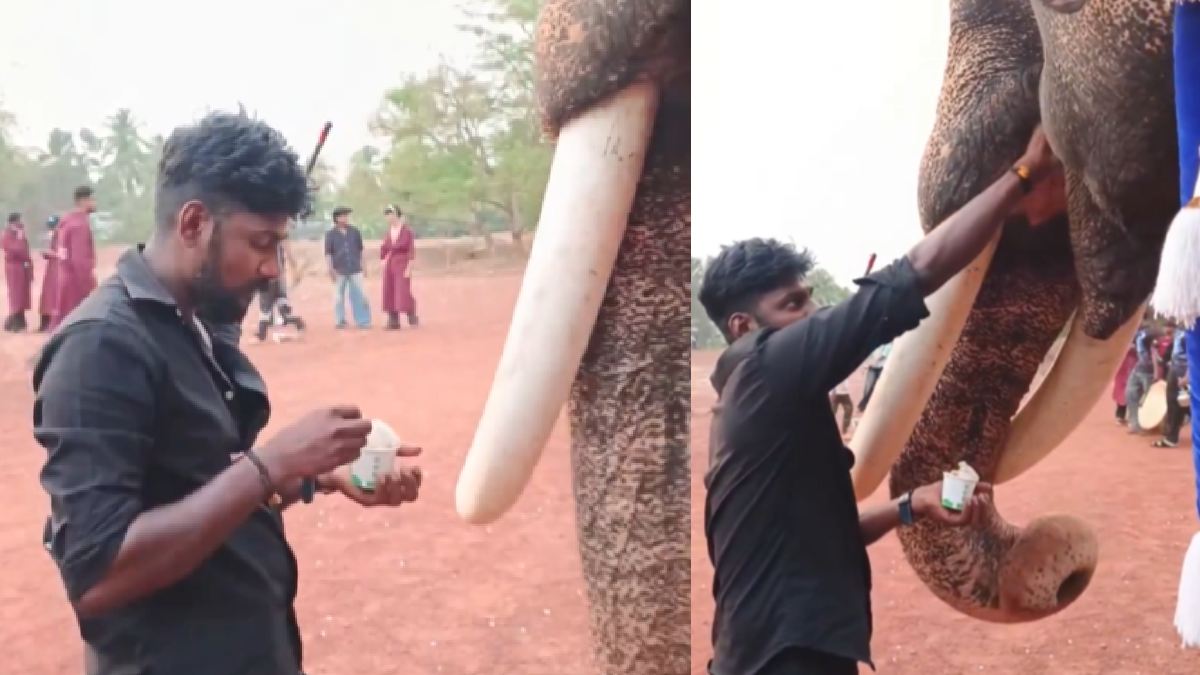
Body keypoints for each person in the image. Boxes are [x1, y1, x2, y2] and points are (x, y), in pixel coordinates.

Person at [33, 111, 424, 675]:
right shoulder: (101, 346)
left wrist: (313, 476)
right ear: (194, 223)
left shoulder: (193, 323)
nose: (271, 269)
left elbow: (198, 484)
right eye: (261, 243)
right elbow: (98, 573)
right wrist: (272, 463)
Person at [698, 126, 1061, 675]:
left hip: (784, 653)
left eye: (810, 298)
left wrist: (912, 505)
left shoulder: (761, 405)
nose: (814, 314)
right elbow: (911, 277)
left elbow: (828, 538)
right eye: (793, 304)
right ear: (743, 327)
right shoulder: (762, 370)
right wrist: (1024, 174)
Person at [50, 185, 98, 330]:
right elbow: (80, 261)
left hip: (65, 280)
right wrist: (90, 286)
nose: (95, 203)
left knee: (62, 325)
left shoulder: (67, 222)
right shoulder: (79, 225)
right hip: (76, 285)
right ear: (84, 201)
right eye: (92, 199)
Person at [253, 234, 307, 342]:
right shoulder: (275, 234)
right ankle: (299, 323)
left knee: (266, 306)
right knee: (281, 303)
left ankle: (261, 334)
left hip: (270, 275)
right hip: (277, 275)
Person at [324, 206, 370, 329]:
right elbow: (328, 253)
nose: (345, 218)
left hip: (355, 268)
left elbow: (361, 250)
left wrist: (364, 266)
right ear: (337, 218)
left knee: (360, 295)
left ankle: (363, 321)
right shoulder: (330, 234)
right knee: (338, 297)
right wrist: (330, 269)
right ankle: (340, 321)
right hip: (339, 269)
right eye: (343, 216)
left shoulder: (355, 232)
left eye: (346, 215)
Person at [380, 204, 418, 330]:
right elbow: (384, 248)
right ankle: (393, 320)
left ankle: (411, 314)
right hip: (390, 263)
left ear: (397, 215)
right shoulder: (389, 232)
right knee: (389, 290)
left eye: (391, 214)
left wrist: (409, 267)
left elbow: (411, 250)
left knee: (402, 290)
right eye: (387, 214)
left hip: (402, 262)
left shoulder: (407, 232)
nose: (389, 217)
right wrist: (382, 260)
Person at [1157, 326, 1191, 447]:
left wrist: (1187, 376)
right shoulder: (1180, 331)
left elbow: (1195, 355)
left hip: (1185, 372)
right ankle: (1171, 438)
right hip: (1175, 370)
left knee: (1187, 404)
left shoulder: (1190, 332)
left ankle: (1172, 437)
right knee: (1173, 403)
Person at [1126, 322, 1160, 434]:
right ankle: (1135, 424)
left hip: (1149, 371)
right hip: (1138, 369)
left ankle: (1148, 425)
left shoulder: (1149, 335)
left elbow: (1154, 353)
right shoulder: (1136, 335)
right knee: (1131, 395)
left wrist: (1156, 372)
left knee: (1149, 399)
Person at [2, 212, 33, 332]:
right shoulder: (7, 235)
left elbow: (25, 251)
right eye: (19, 220)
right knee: (16, 295)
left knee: (23, 294)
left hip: (22, 267)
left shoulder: (20, 234)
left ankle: (20, 321)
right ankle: (15, 322)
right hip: (14, 268)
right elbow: (15, 250)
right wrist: (19, 238)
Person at [37, 215, 62, 332]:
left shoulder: (62, 235)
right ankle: (46, 322)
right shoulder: (51, 236)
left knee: (54, 294)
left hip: (59, 268)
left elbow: (62, 253)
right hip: (51, 268)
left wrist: (52, 253)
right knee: (47, 295)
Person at [857, 342, 891, 412]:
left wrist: (868, 364)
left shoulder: (888, 344)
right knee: (868, 387)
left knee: (878, 387)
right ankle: (864, 405)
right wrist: (866, 364)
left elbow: (883, 356)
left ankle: (866, 405)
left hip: (882, 367)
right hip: (872, 367)